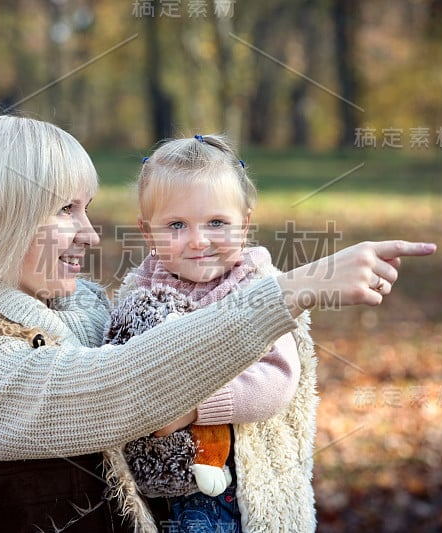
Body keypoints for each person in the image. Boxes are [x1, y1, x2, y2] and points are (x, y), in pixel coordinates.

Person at [0, 115, 437, 533]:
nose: (90, 235)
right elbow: (119, 387)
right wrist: (291, 289)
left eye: (86, 209)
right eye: (67, 209)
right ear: (4, 215)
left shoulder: (87, 310)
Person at [103, 133, 316, 533]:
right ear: (148, 233)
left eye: (217, 223)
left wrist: (194, 407)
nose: (199, 240)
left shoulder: (257, 290)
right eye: (177, 225)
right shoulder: (139, 295)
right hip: (156, 490)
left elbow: (277, 378)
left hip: (233, 493)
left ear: (245, 224)